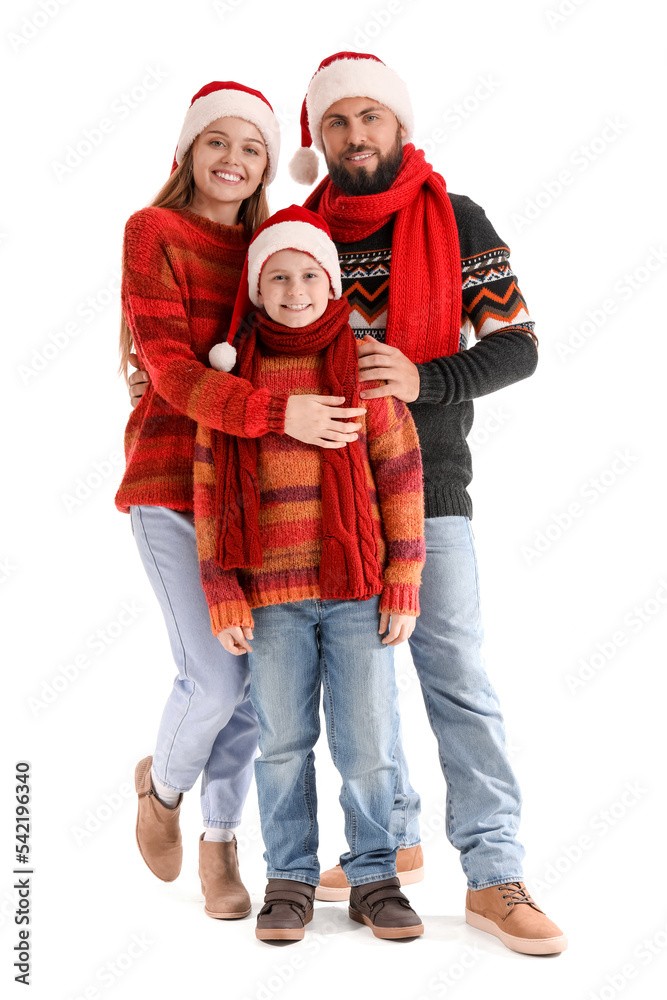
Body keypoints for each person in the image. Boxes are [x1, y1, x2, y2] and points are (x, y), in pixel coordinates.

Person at [284, 51, 567, 956]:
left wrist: (421, 377)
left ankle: (495, 872)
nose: (354, 136)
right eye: (336, 122)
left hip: (429, 487)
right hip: (322, 495)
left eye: (369, 118)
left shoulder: (454, 218)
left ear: (400, 127)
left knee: (454, 675)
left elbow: (518, 346)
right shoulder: (297, 232)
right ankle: (393, 837)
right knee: (358, 685)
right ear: (316, 137)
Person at [115, 81, 365, 920]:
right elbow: (174, 370)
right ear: (186, 152)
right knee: (213, 681)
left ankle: (220, 849)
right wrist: (276, 412)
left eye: (252, 147)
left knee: (257, 686)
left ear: (268, 164)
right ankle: (163, 795)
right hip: (170, 483)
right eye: (216, 142)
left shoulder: (271, 246)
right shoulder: (153, 233)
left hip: (256, 493)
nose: (234, 160)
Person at [194, 205, 426, 942]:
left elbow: (400, 477)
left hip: (357, 590)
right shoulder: (233, 388)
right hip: (270, 597)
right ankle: (289, 878)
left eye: (307, 274)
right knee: (283, 741)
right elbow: (208, 491)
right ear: (257, 291)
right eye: (277, 276)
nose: (294, 288)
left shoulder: (365, 368)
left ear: (331, 284)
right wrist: (223, 589)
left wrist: (404, 579)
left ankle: (372, 877)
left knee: (365, 743)